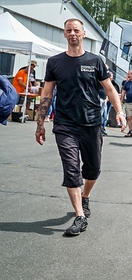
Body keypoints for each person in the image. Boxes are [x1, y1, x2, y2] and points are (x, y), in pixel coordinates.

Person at [35, 18, 125, 237]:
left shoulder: (95, 61)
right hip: (65, 124)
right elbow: (47, 93)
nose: (72, 33)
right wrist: (40, 123)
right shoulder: (55, 62)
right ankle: (80, 216)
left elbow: (110, 89)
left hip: (92, 123)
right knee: (72, 169)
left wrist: (119, 111)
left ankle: (85, 196)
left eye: (76, 30)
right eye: (69, 30)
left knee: (92, 168)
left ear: (84, 34)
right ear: (64, 34)